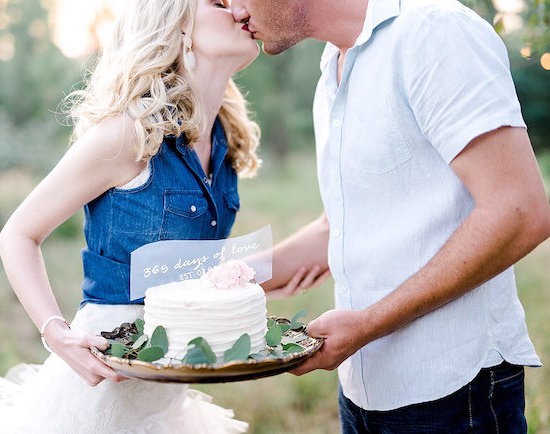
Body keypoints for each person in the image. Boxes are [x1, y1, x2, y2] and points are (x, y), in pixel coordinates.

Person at [0, 1, 264, 433]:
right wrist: (57, 335)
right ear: (177, 24)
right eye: (218, 2)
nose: (240, 8)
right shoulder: (130, 133)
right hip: (100, 397)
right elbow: (17, 234)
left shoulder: (225, 140)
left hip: (168, 396)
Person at [231, 0, 550, 431]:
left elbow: (521, 211)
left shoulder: (434, 33)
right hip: (362, 393)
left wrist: (366, 325)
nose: (232, 11)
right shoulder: (333, 70)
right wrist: (221, 283)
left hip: (454, 395)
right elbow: (341, 225)